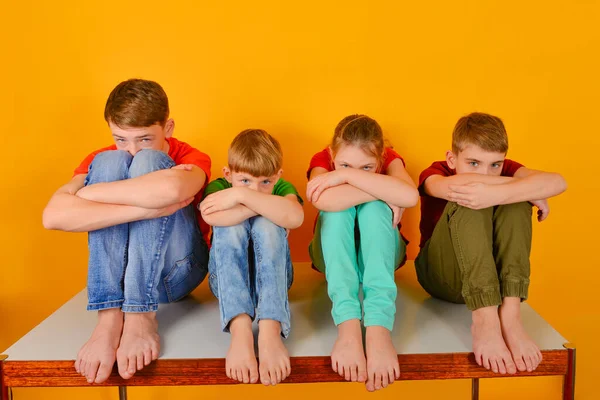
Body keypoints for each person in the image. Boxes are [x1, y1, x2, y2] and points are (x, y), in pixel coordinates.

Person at [42, 79, 211, 383]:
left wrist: (88, 195)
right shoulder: (104, 157)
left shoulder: (192, 156)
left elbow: (173, 188)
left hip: (176, 273)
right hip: (117, 280)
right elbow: (53, 216)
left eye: (145, 138)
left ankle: (139, 316)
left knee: (150, 163)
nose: (131, 150)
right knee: (107, 162)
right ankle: (109, 318)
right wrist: (145, 207)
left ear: (168, 127)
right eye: (121, 139)